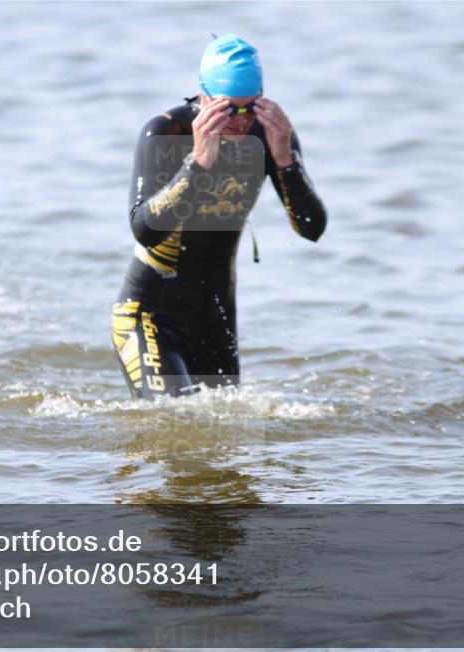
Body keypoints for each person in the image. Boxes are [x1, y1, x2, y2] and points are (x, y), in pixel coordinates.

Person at [111, 34, 327, 399]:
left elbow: (311, 229)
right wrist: (198, 163)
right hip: (149, 318)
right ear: (205, 97)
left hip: (215, 321)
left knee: (221, 448)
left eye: (250, 108)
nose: (240, 122)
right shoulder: (167, 131)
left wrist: (285, 161)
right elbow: (144, 230)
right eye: (228, 109)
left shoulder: (270, 135)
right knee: (172, 425)